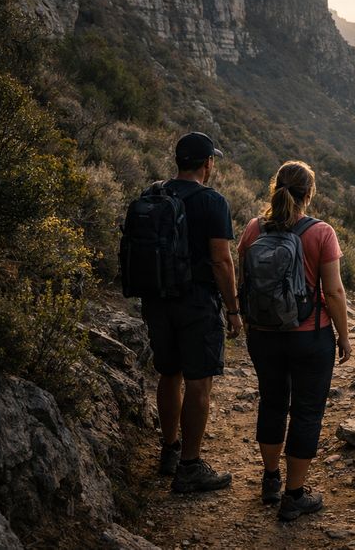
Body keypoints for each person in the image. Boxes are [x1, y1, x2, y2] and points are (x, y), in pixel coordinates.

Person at [237, 160, 352, 521]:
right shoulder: (321, 233)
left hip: (264, 336)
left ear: (275, 188)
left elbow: (246, 284)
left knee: (271, 403)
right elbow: (333, 292)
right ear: (310, 193)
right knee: (306, 412)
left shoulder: (253, 230)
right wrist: (344, 337)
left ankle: (271, 480)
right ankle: (294, 496)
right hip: (310, 337)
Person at [140, 132, 243, 493]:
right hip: (197, 302)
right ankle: (190, 466)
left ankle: (169, 450)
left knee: (169, 374)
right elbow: (221, 260)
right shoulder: (212, 201)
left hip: (156, 299)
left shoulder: (153, 193)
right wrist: (233, 310)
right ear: (207, 163)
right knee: (199, 382)